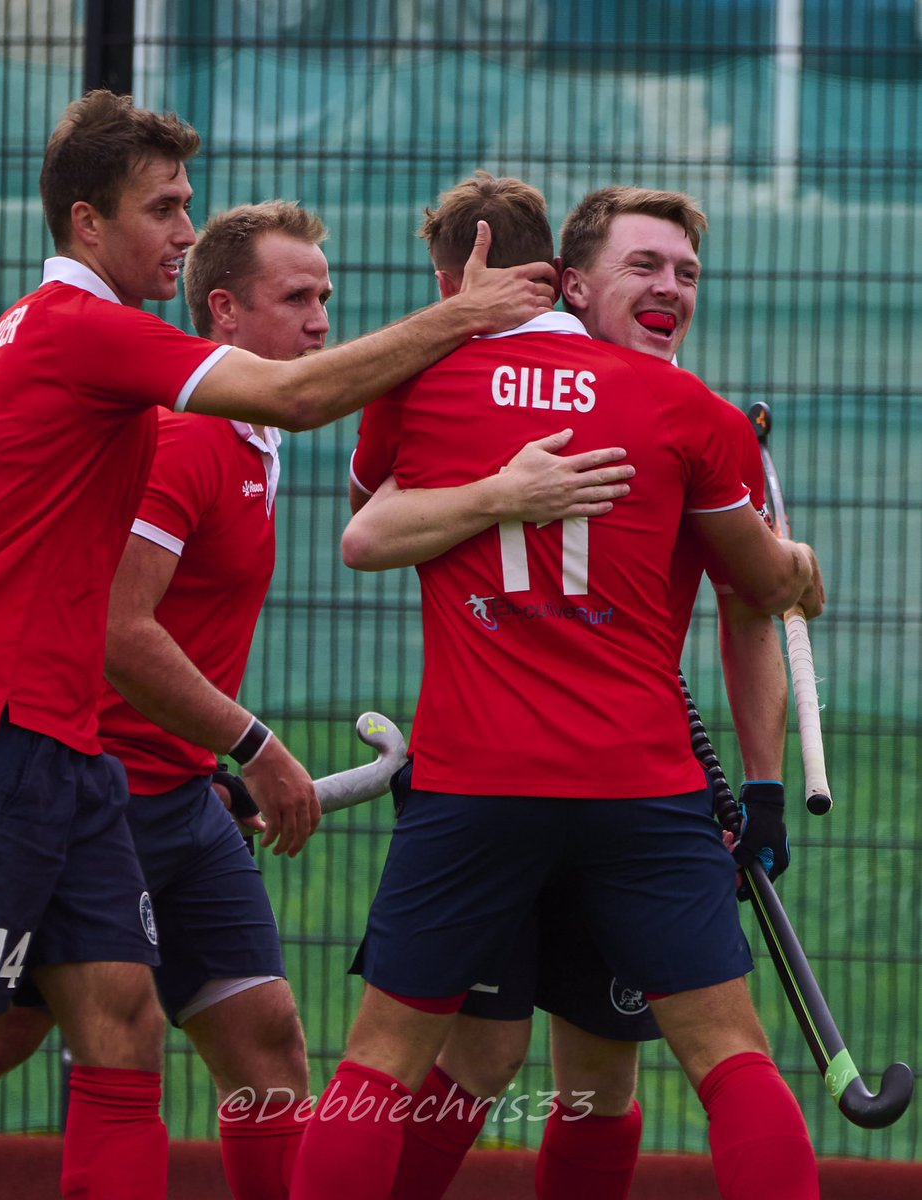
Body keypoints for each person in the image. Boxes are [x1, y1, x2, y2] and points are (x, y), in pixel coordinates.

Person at [0, 90, 555, 1200]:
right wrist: (461, 317)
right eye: (164, 207)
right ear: (89, 225)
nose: (183, 230)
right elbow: (298, 394)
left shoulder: (23, 343)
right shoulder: (103, 347)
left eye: (187, 205)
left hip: (72, 755)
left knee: (139, 1028)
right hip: (6, 739)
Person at [288, 174, 824, 1200]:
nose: (671, 286)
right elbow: (763, 592)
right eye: (647, 266)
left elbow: (364, 526)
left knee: (379, 1066)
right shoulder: (687, 408)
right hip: (639, 788)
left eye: (685, 272)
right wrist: (796, 566)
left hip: (473, 785)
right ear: (566, 281)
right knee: (728, 1058)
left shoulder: (421, 387)